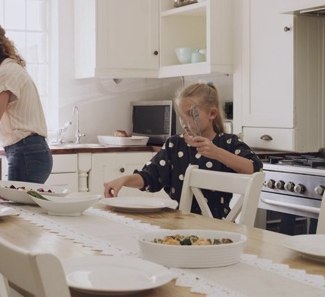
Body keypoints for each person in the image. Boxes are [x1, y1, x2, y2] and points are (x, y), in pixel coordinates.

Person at [103, 83, 263, 219]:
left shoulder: (227, 143)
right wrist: (123, 180)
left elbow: (254, 169)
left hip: (220, 229)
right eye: (181, 115)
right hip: (178, 224)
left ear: (212, 114)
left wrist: (216, 152)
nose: (184, 121)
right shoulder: (175, 145)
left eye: (191, 114)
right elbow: (150, 177)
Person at [0, 21, 53, 183]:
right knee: (23, 206)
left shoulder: (5, 73)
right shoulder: (12, 69)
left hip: (26, 152)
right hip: (31, 151)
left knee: (18, 207)